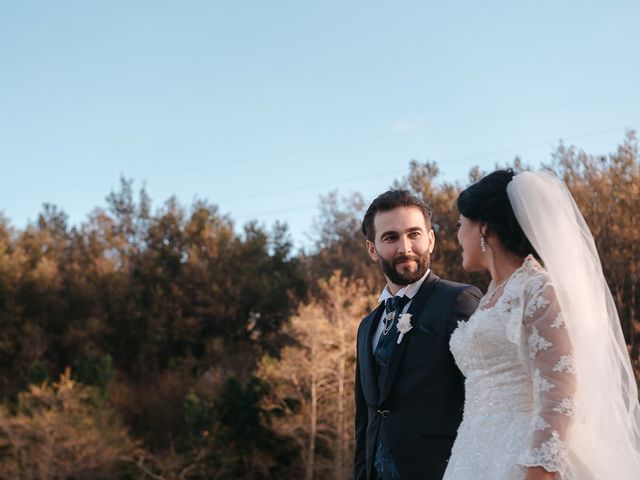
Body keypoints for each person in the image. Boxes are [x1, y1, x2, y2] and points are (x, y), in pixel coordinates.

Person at [444, 169, 640, 480]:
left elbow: (561, 387)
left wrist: (541, 466)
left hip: (524, 452)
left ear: (483, 228)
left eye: (460, 225)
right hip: (474, 450)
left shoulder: (538, 289)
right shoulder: (493, 296)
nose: (456, 237)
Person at [354, 190, 482, 480]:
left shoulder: (458, 300)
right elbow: (365, 419)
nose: (405, 247)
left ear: (431, 240)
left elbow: (483, 393)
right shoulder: (367, 327)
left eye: (414, 234)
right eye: (390, 238)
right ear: (372, 249)